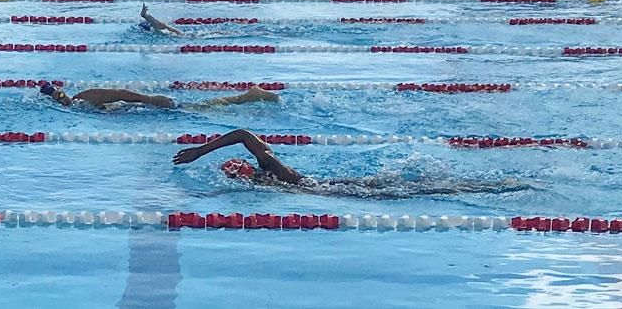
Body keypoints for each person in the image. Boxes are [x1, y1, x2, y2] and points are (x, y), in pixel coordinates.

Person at [173, 129, 532, 199]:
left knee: (431, 190)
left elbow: (242, 134)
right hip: (342, 188)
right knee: (423, 187)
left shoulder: (274, 171)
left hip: (347, 191)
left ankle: (499, 186)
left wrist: (199, 152)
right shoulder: (267, 179)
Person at [40, 85, 280, 110]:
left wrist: (149, 99)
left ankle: (247, 97)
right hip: (144, 110)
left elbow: (121, 94)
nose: (62, 100)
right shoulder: (80, 106)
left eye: (61, 95)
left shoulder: (85, 96)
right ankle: (244, 98)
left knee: (197, 108)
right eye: (58, 98)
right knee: (195, 108)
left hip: (152, 106)